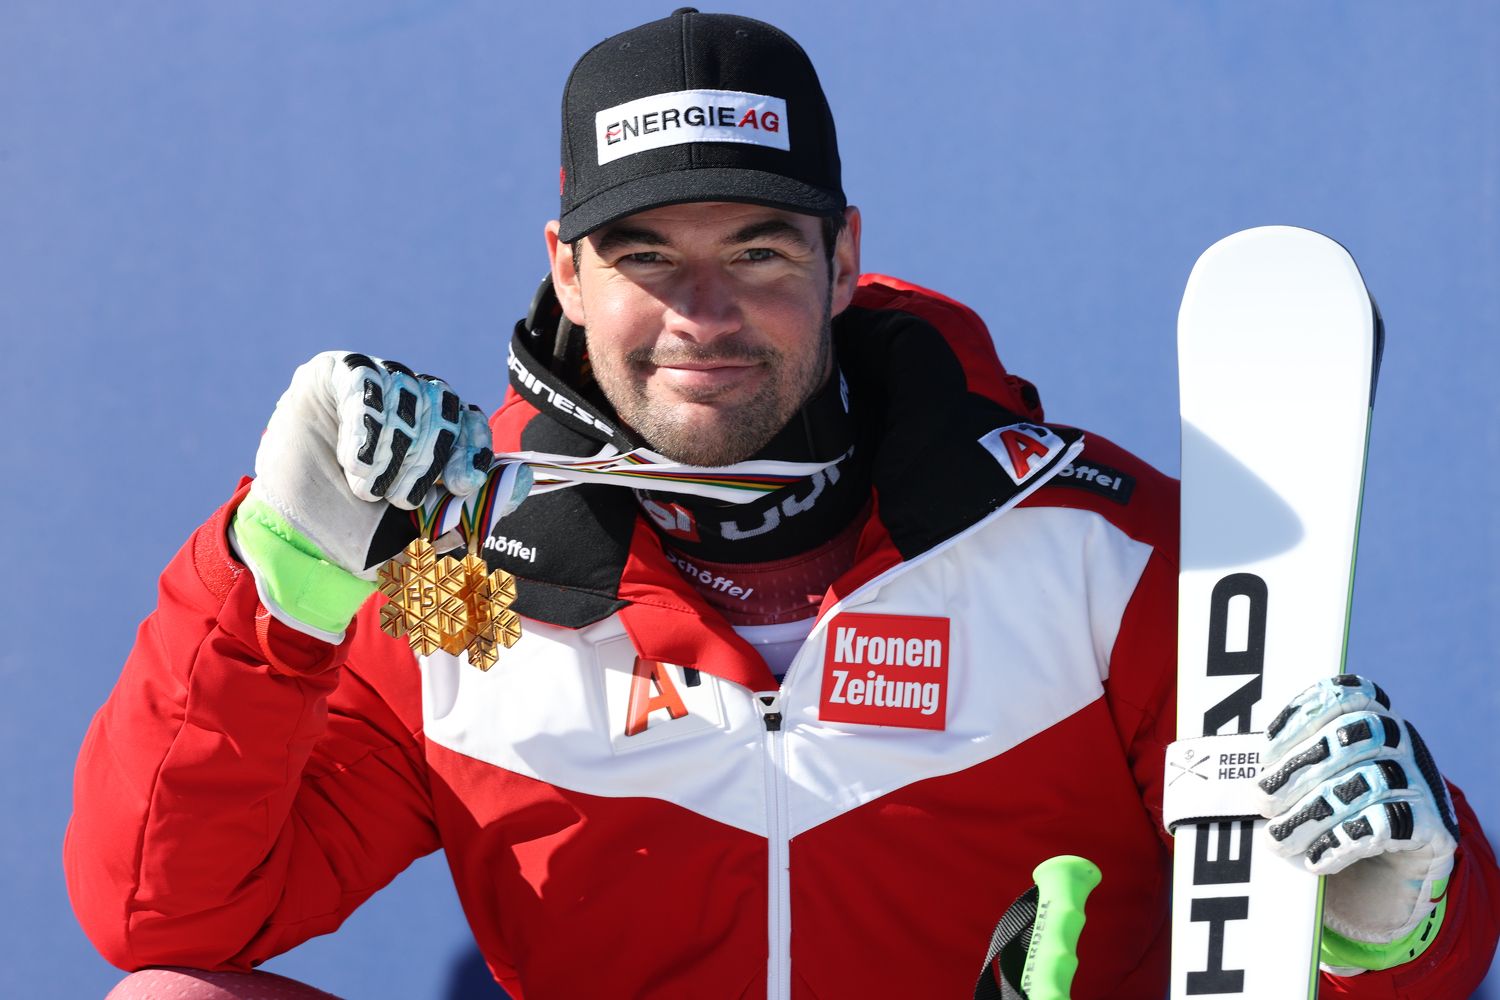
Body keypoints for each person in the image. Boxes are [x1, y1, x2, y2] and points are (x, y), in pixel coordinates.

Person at [68, 9, 1498, 999]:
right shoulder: (468, 586)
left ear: (842, 257)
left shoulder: (1085, 550)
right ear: (565, 271)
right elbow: (171, 919)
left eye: (758, 249)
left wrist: (1388, 909)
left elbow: (1360, 960)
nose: (705, 313)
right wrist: (279, 578)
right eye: (646, 256)